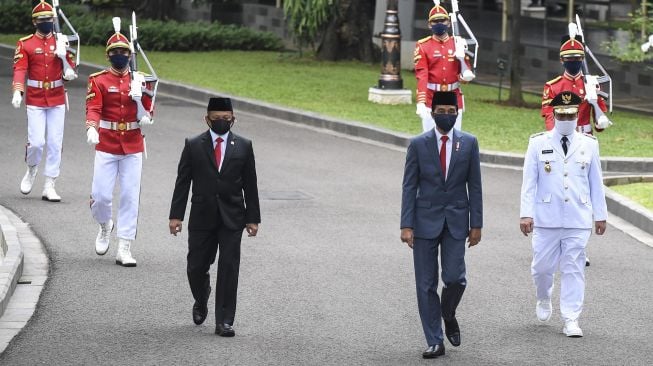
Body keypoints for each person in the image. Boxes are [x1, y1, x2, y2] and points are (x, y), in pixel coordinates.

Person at [168, 97, 260, 337]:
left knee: (229, 267)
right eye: (217, 119)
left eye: (226, 119)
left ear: (234, 120)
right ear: (206, 119)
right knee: (195, 267)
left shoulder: (244, 145)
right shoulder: (193, 144)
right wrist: (176, 216)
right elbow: (182, 182)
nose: (222, 123)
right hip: (201, 216)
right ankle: (201, 297)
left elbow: (251, 184)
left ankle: (225, 321)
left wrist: (253, 218)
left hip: (233, 217)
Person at [400, 91, 482, 359]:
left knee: (455, 278)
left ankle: (448, 312)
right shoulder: (418, 144)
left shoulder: (469, 143)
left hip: (457, 221)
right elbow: (409, 186)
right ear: (433, 113)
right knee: (425, 284)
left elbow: (475, 186)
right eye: (442, 110)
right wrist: (406, 224)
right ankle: (434, 340)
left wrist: (476, 223)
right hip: (424, 221)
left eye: (451, 110)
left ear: (457, 113)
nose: (446, 115)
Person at [520, 92, 607, 338]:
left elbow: (596, 183)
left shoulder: (589, 144)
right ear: (554, 114)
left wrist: (600, 215)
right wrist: (526, 214)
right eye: (562, 114)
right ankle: (544, 295)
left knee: (573, 267)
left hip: (578, 217)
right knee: (542, 268)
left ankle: (571, 318)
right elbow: (529, 182)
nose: (566, 118)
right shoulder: (538, 143)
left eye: (571, 114)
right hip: (546, 217)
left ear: (577, 114)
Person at [85, 29, 154, 266]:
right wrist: (91, 127)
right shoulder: (99, 80)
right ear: (108, 56)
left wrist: (139, 99)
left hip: (133, 144)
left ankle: (124, 246)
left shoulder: (141, 79)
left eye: (124, 52)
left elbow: (148, 114)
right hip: (106, 142)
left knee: (129, 196)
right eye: (115, 52)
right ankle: (105, 225)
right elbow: (93, 107)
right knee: (101, 196)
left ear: (130, 54)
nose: (120, 55)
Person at [12, 0, 77, 201]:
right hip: (35, 98)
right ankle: (31, 169)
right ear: (35, 22)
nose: (46, 22)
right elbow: (20, 69)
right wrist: (17, 90)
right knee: (37, 143)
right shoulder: (26, 43)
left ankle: (50, 183)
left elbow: (70, 73)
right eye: (42, 19)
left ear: (54, 19)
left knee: (55, 143)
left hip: (57, 97)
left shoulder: (61, 41)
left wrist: (64, 58)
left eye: (49, 19)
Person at [414, 3, 474, 133]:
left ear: (448, 22)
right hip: (432, 98)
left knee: (453, 141)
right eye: (435, 21)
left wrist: (462, 61)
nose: (439, 23)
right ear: (429, 24)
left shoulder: (457, 43)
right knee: (430, 142)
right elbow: (422, 75)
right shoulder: (424, 46)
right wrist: (421, 102)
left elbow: (465, 76)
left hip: (453, 98)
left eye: (442, 20)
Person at [541, 35, 609, 135]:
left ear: (582, 59)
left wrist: (600, 122)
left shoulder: (593, 84)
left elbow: (599, 124)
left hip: (585, 137)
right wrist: (553, 136)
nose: (573, 61)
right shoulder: (552, 86)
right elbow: (550, 117)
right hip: (561, 136)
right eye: (569, 58)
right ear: (561, 60)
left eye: (577, 58)